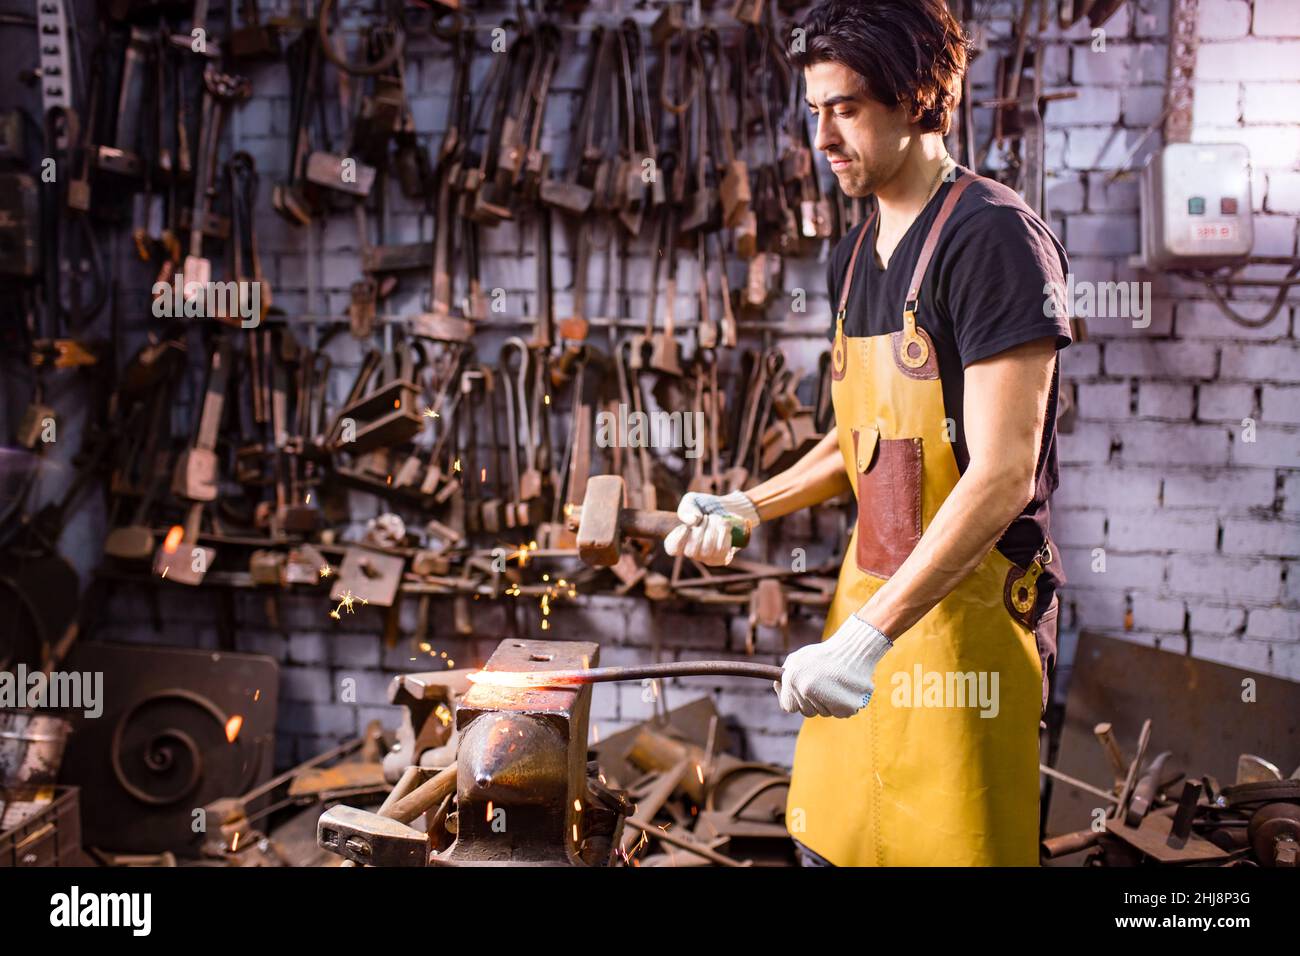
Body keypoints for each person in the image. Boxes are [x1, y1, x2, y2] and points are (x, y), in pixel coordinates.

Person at [664, 0, 1071, 866]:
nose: (823, 138)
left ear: (919, 98)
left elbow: (1002, 474)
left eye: (845, 109)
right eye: (816, 112)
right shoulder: (854, 255)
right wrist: (750, 504)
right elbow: (861, 439)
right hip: (866, 613)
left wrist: (865, 640)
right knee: (834, 843)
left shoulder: (993, 240)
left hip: (963, 633)